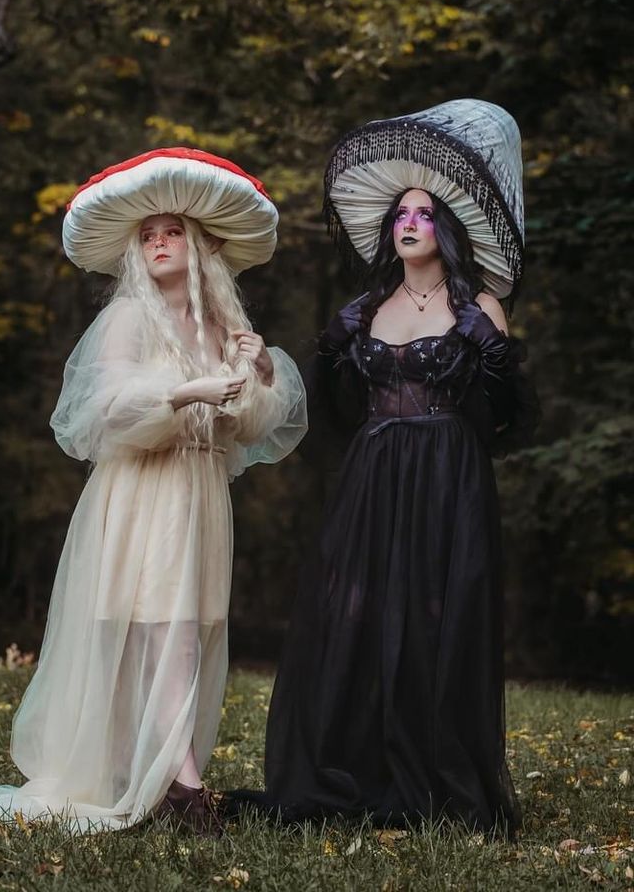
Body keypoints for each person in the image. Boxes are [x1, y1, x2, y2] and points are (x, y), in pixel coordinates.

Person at [0, 147, 307, 834]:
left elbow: (247, 433)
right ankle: (183, 786)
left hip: (200, 494)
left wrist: (256, 373)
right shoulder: (126, 320)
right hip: (146, 490)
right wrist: (182, 391)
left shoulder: (218, 331)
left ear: (199, 245)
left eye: (172, 232)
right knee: (158, 636)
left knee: (185, 636)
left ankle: (158, 774)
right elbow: (106, 413)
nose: (159, 243)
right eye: (148, 237)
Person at [227, 99, 538, 835]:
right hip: (372, 475)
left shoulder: (484, 306)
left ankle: (433, 774)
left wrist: (485, 345)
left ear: (446, 229)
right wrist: (332, 350)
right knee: (357, 614)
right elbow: (334, 412)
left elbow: (508, 419)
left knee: (439, 615)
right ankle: (352, 766)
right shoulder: (363, 308)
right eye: (400, 212)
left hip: (448, 477)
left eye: (424, 213)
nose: (408, 221)